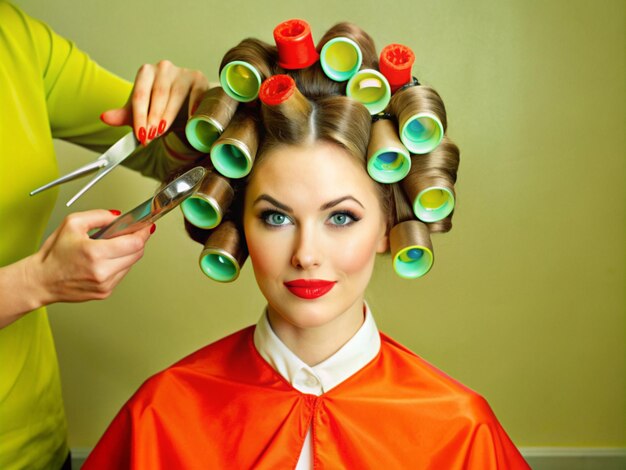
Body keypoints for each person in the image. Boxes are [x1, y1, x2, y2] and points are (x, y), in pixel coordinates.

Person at [83, 21, 530, 469]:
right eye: (276, 217)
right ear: (239, 224)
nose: (306, 254)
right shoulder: (162, 415)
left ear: (385, 228)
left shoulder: (462, 432)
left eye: (341, 217)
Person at [0, 3, 209, 468]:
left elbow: (165, 154)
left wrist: (189, 112)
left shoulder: (13, 37)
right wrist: (32, 284)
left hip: (34, 441)